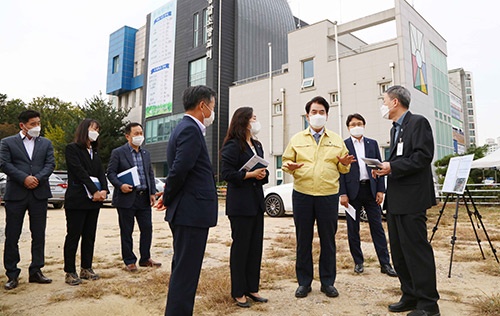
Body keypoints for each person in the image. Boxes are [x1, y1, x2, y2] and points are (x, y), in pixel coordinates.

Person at [374, 85, 440, 316]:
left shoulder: (417, 123)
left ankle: (428, 304)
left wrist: (392, 166)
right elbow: (400, 161)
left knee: (416, 250)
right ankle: (410, 295)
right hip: (396, 200)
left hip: (413, 199)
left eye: (384, 100)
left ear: (395, 102)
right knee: (400, 252)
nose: (382, 105)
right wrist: (384, 169)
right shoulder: (395, 130)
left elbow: (423, 157)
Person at [282, 96, 355, 299]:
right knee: (303, 239)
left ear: (327, 115)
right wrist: (290, 166)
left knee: (328, 240)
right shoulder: (297, 139)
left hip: (328, 194)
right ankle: (304, 283)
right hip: (303, 194)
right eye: (313, 112)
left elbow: (343, 167)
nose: (317, 115)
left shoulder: (336, 139)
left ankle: (327, 282)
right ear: (307, 116)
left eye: (321, 112)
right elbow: (286, 160)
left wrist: (345, 162)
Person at [161, 85, 218, 315]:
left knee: (183, 270)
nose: (212, 113)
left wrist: (167, 197)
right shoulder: (190, 130)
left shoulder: (183, 128)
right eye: (212, 107)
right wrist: (167, 197)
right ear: (202, 106)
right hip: (190, 212)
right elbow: (180, 169)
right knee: (186, 273)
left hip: (187, 210)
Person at [0, 110, 55, 290]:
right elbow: (4, 164)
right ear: (22, 125)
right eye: (33, 124)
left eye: (38, 123)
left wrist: (37, 178)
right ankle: (12, 274)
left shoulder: (45, 143)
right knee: (12, 235)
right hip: (16, 194)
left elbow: (50, 164)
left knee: (38, 234)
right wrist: (24, 178)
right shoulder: (7, 142)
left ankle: (36, 270)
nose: (37, 127)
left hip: (39, 194)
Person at [221, 107, 269, 308]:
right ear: (243, 121)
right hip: (240, 205)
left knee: (255, 247)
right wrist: (248, 175)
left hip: (256, 203)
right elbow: (226, 174)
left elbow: (261, 173)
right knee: (241, 248)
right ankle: (238, 291)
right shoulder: (233, 146)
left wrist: (262, 174)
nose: (255, 122)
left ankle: (252, 287)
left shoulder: (257, 145)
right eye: (253, 118)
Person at [339, 113, 397, 277]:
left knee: (377, 228)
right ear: (348, 128)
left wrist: (380, 190)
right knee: (353, 229)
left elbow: (379, 167)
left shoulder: (372, 144)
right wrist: (342, 193)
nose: (356, 126)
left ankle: (385, 263)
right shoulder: (343, 146)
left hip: (370, 190)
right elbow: (340, 172)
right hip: (352, 193)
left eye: (359, 123)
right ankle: (358, 261)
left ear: (364, 125)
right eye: (353, 124)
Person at [107, 122, 160, 272]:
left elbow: (150, 173)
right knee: (127, 230)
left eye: (141, 133)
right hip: (126, 197)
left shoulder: (146, 154)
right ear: (127, 136)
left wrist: (152, 192)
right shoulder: (118, 152)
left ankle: (145, 258)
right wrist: (120, 185)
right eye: (136, 133)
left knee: (147, 229)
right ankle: (129, 261)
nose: (139, 136)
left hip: (143, 197)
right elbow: (111, 173)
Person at [63, 119, 109, 285]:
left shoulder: (94, 152)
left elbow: (101, 173)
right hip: (77, 200)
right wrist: (94, 190)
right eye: (93, 128)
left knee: (89, 236)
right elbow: (79, 172)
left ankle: (86, 267)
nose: (95, 131)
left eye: (97, 129)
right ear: (84, 130)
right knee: (74, 235)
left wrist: (104, 190)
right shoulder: (72, 149)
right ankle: (69, 271)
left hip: (94, 202)